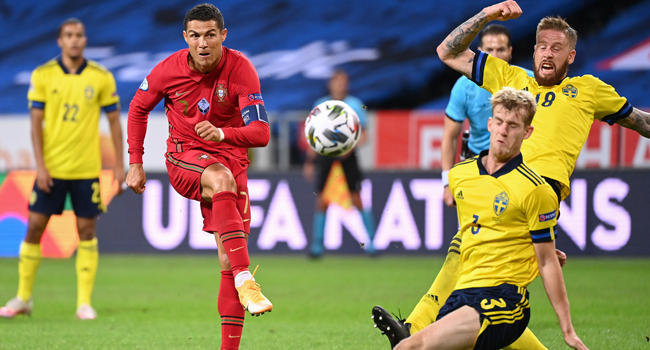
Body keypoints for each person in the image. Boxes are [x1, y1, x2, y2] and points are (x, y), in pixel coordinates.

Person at [374, 0, 650, 348]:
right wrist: (487, 14)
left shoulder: (589, 90)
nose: (548, 53)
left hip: (536, 197)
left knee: (473, 267)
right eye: (542, 46)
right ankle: (416, 331)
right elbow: (448, 51)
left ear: (571, 57)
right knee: (490, 292)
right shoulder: (513, 79)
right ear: (533, 51)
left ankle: (413, 330)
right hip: (500, 185)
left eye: (557, 48)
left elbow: (641, 122)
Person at [125, 4, 272, 350]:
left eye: (210, 35)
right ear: (185, 38)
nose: (202, 43)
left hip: (231, 160)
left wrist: (223, 135)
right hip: (185, 158)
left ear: (223, 36)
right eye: (195, 36)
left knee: (227, 256)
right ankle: (246, 278)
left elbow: (261, 133)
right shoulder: (167, 71)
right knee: (220, 180)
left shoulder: (241, 69)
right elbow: (137, 108)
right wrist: (135, 161)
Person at [408, 87, 586, 350]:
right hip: (461, 295)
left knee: (409, 347)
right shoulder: (460, 176)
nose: (503, 131)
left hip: (504, 299)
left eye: (513, 125)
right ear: (489, 124)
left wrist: (567, 330)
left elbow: (547, 260)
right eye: (500, 122)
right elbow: (481, 232)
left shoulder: (536, 190)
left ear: (527, 133)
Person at [0, 18, 125, 320]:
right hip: (52, 169)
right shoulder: (43, 75)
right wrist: (40, 166)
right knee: (34, 228)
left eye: (80, 35)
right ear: (60, 40)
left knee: (86, 230)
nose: (74, 40)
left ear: (85, 41)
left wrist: (120, 165)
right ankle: (23, 298)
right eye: (69, 35)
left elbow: (113, 122)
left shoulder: (101, 76)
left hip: (85, 170)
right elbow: (34, 124)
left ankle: (84, 303)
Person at [442, 24, 533, 208]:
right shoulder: (463, 87)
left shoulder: (530, 83)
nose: (496, 56)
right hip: (478, 165)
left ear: (510, 52)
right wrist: (447, 182)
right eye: (489, 50)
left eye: (500, 49)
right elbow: (449, 137)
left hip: (520, 165)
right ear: (479, 53)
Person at [303, 70, 375, 257]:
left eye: (344, 82)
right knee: (321, 199)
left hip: (349, 155)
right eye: (337, 82)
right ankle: (317, 247)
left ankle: (371, 244)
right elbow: (313, 136)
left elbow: (365, 134)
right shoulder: (320, 105)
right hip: (325, 154)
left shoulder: (355, 105)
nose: (340, 85)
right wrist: (310, 161)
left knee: (356, 197)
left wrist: (352, 145)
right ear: (330, 84)